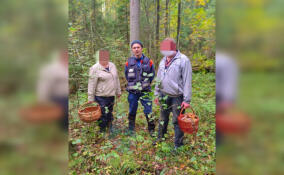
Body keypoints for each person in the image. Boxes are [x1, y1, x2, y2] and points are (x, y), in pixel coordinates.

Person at [154, 38, 192, 149]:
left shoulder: (183, 60)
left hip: (177, 97)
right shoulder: (163, 60)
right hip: (163, 95)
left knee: (177, 121)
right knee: (162, 118)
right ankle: (160, 138)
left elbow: (187, 80)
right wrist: (156, 93)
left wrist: (186, 99)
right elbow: (159, 78)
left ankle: (178, 145)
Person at [125, 40, 155, 135]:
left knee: (148, 110)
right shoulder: (128, 62)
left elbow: (152, 75)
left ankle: (151, 129)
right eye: (134, 48)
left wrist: (145, 84)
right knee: (132, 109)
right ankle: (131, 129)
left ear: (142, 48)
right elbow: (126, 75)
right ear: (132, 50)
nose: (136, 49)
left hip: (145, 91)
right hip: (132, 92)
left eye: (138, 47)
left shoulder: (149, 61)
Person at [88, 50, 121, 132]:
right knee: (102, 114)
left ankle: (110, 127)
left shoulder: (112, 65)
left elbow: (116, 79)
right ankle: (102, 130)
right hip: (100, 96)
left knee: (110, 112)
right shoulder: (95, 68)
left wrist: (118, 91)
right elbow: (91, 84)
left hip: (111, 95)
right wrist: (90, 98)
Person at [37, 49, 69, 131]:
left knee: (67, 120)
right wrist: (42, 99)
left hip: (68, 98)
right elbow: (44, 85)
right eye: (64, 54)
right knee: (60, 120)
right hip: (58, 98)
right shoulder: (51, 69)